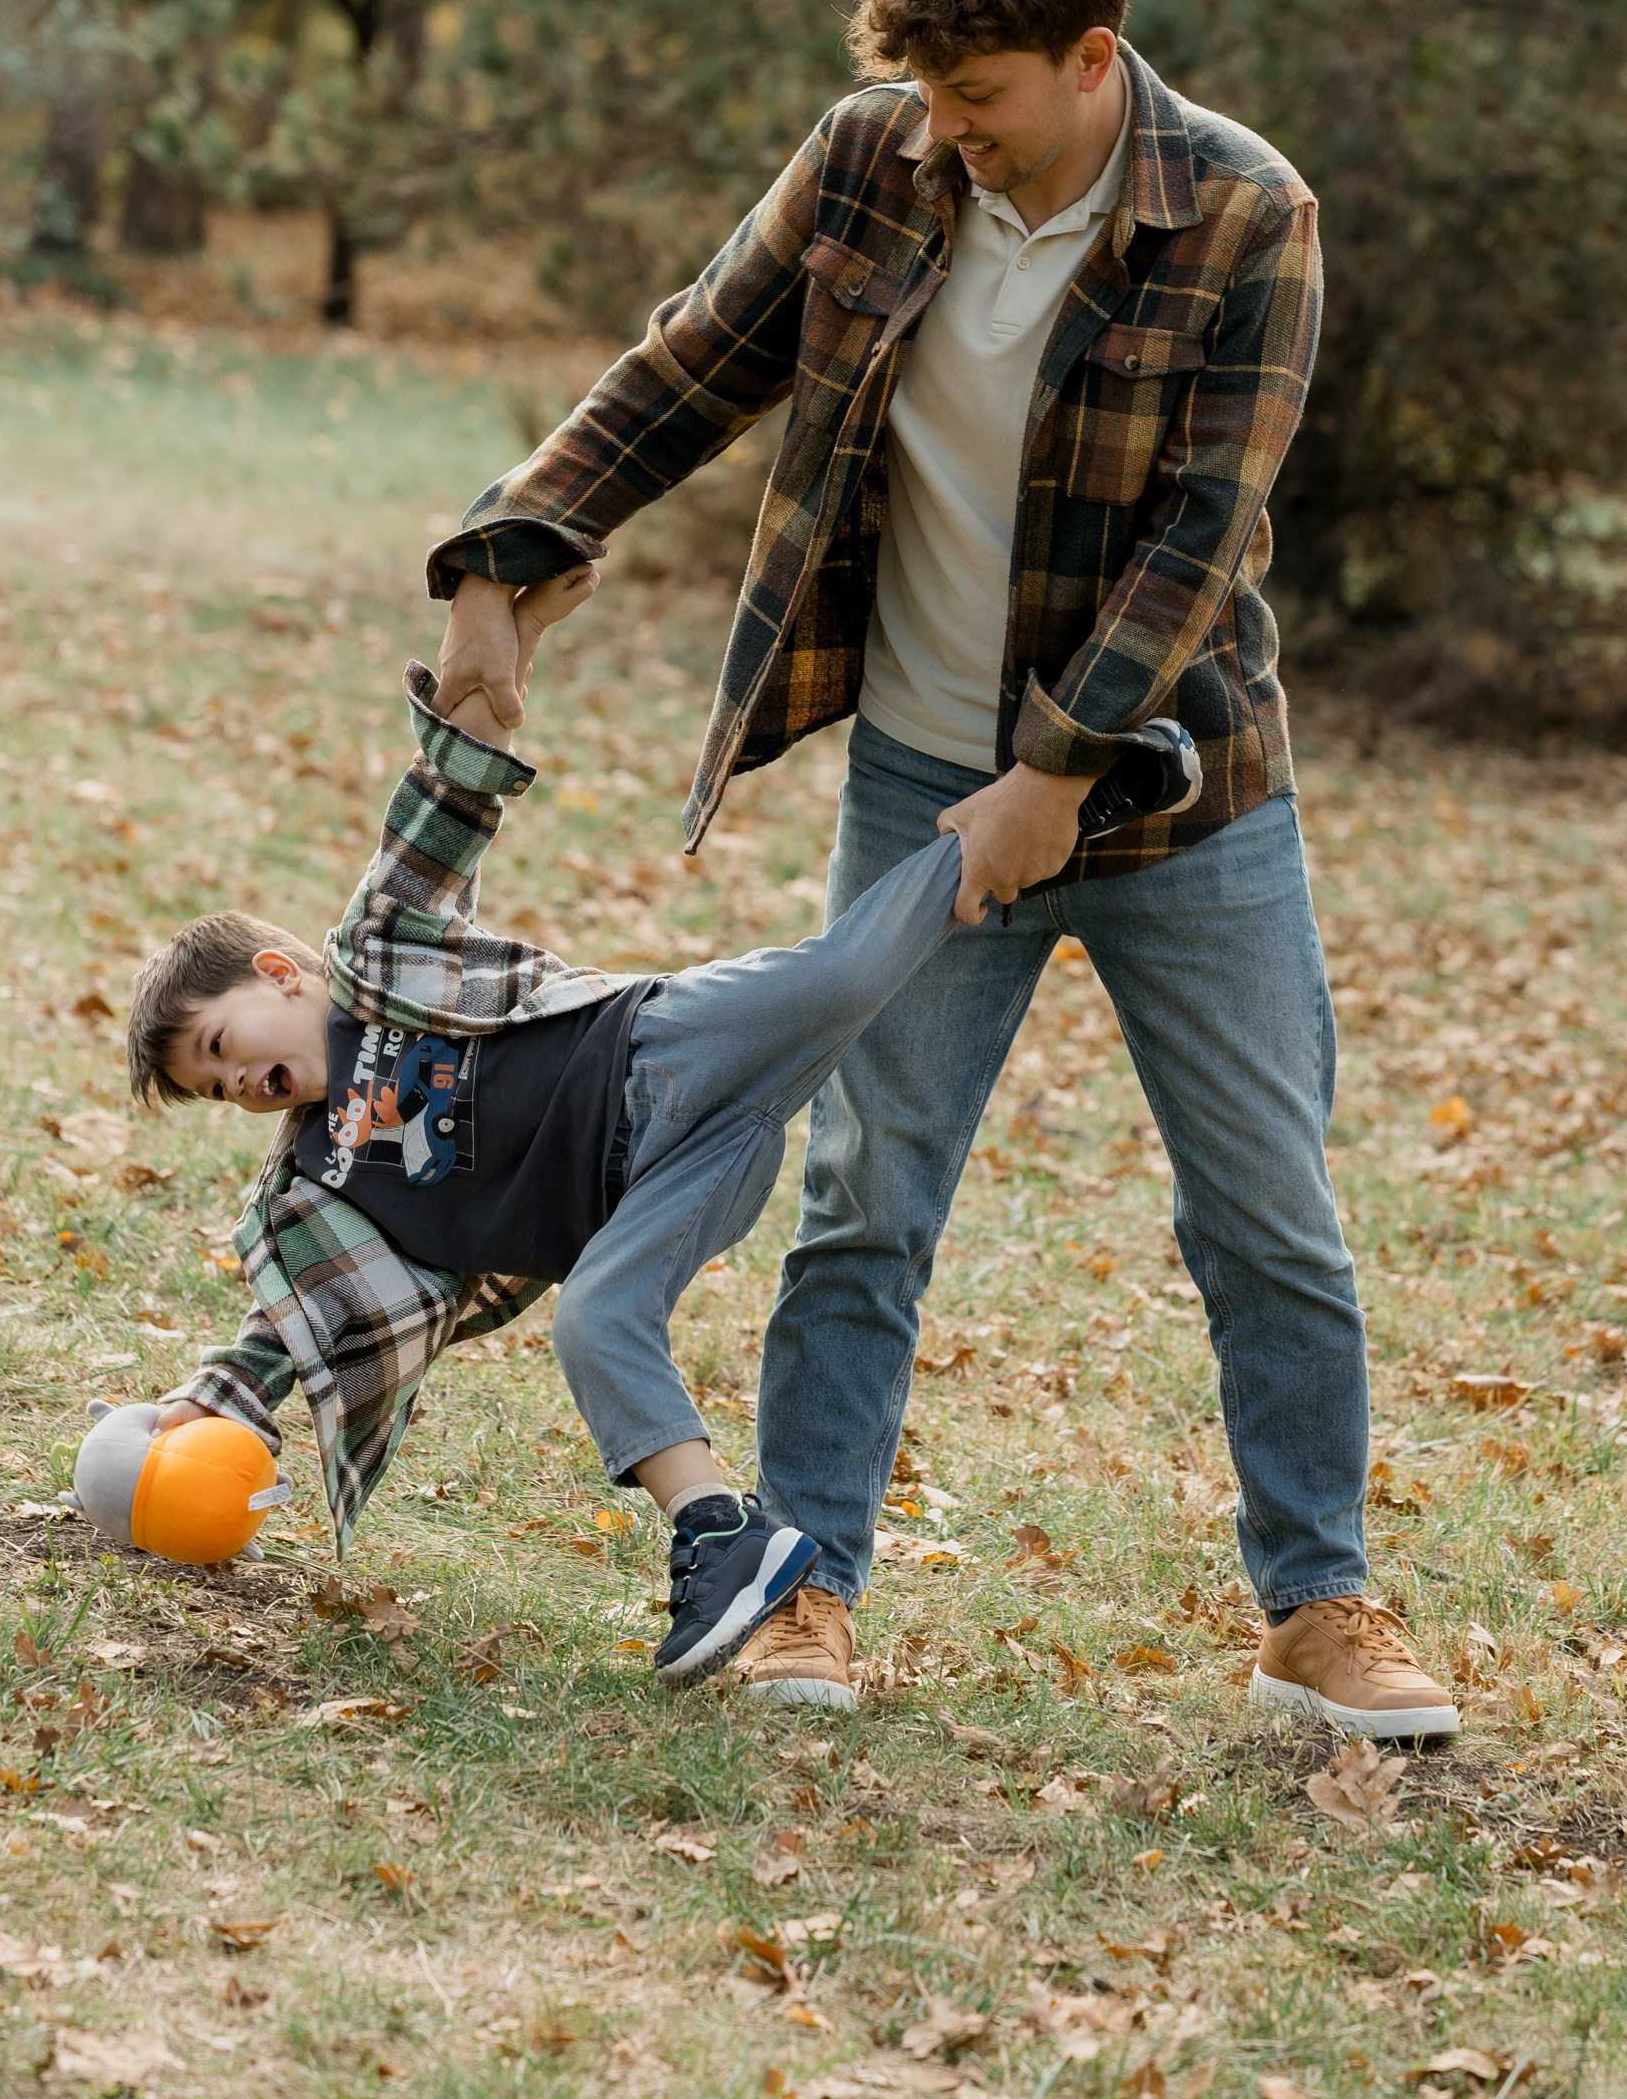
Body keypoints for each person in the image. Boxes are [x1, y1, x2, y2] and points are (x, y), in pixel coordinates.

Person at [428, 0, 1460, 1738]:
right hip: (918, 773)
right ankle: (806, 1579)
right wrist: (509, 551)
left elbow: (1199, 542)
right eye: (921, 93)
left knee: (1268, 1212)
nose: (944, 133)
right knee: (864, 1197)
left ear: (1091, 58)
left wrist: (1055, 774)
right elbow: (686, 365)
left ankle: (1319, 1602)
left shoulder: (1245, 212)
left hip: (1184, 798)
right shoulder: (869, 165)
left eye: (975, 99)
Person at [124, 563, 1194, 1684]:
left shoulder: (378, 956)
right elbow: (283, 1329)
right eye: (211, 1093)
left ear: (278, 972)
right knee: (594, 1321)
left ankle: (1078, 798)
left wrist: (492, 658)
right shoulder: (316, 1189)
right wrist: (199, 1409)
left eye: (216, 1046)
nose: (233, 1085)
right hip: (656, 1192)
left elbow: (441, 807)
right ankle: (721, 1536)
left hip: (657, 1049)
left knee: (844, 977)